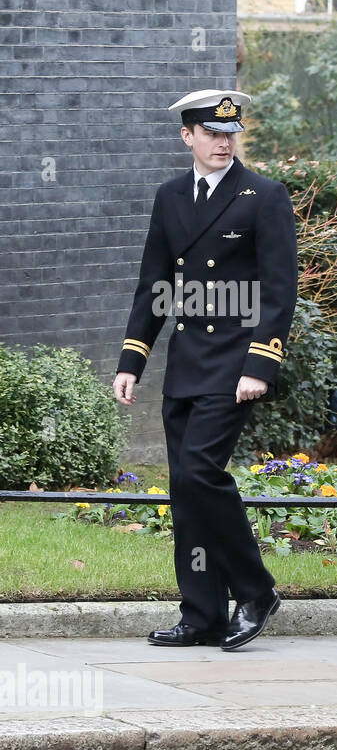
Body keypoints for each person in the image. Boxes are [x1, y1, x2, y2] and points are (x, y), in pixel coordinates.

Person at [113, 89, 297, 651]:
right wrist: (132, 359)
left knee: (200, 473)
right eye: (212, 133)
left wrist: (260, 363)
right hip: (188, 363)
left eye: (230, 133)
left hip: (236, 364)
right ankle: (201, 613)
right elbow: (155, 284)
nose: (223, 142)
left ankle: (256, 589)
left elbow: (279, 287)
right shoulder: (171, 196)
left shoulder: (262, 195)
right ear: (187, 136)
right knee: (186, 490)